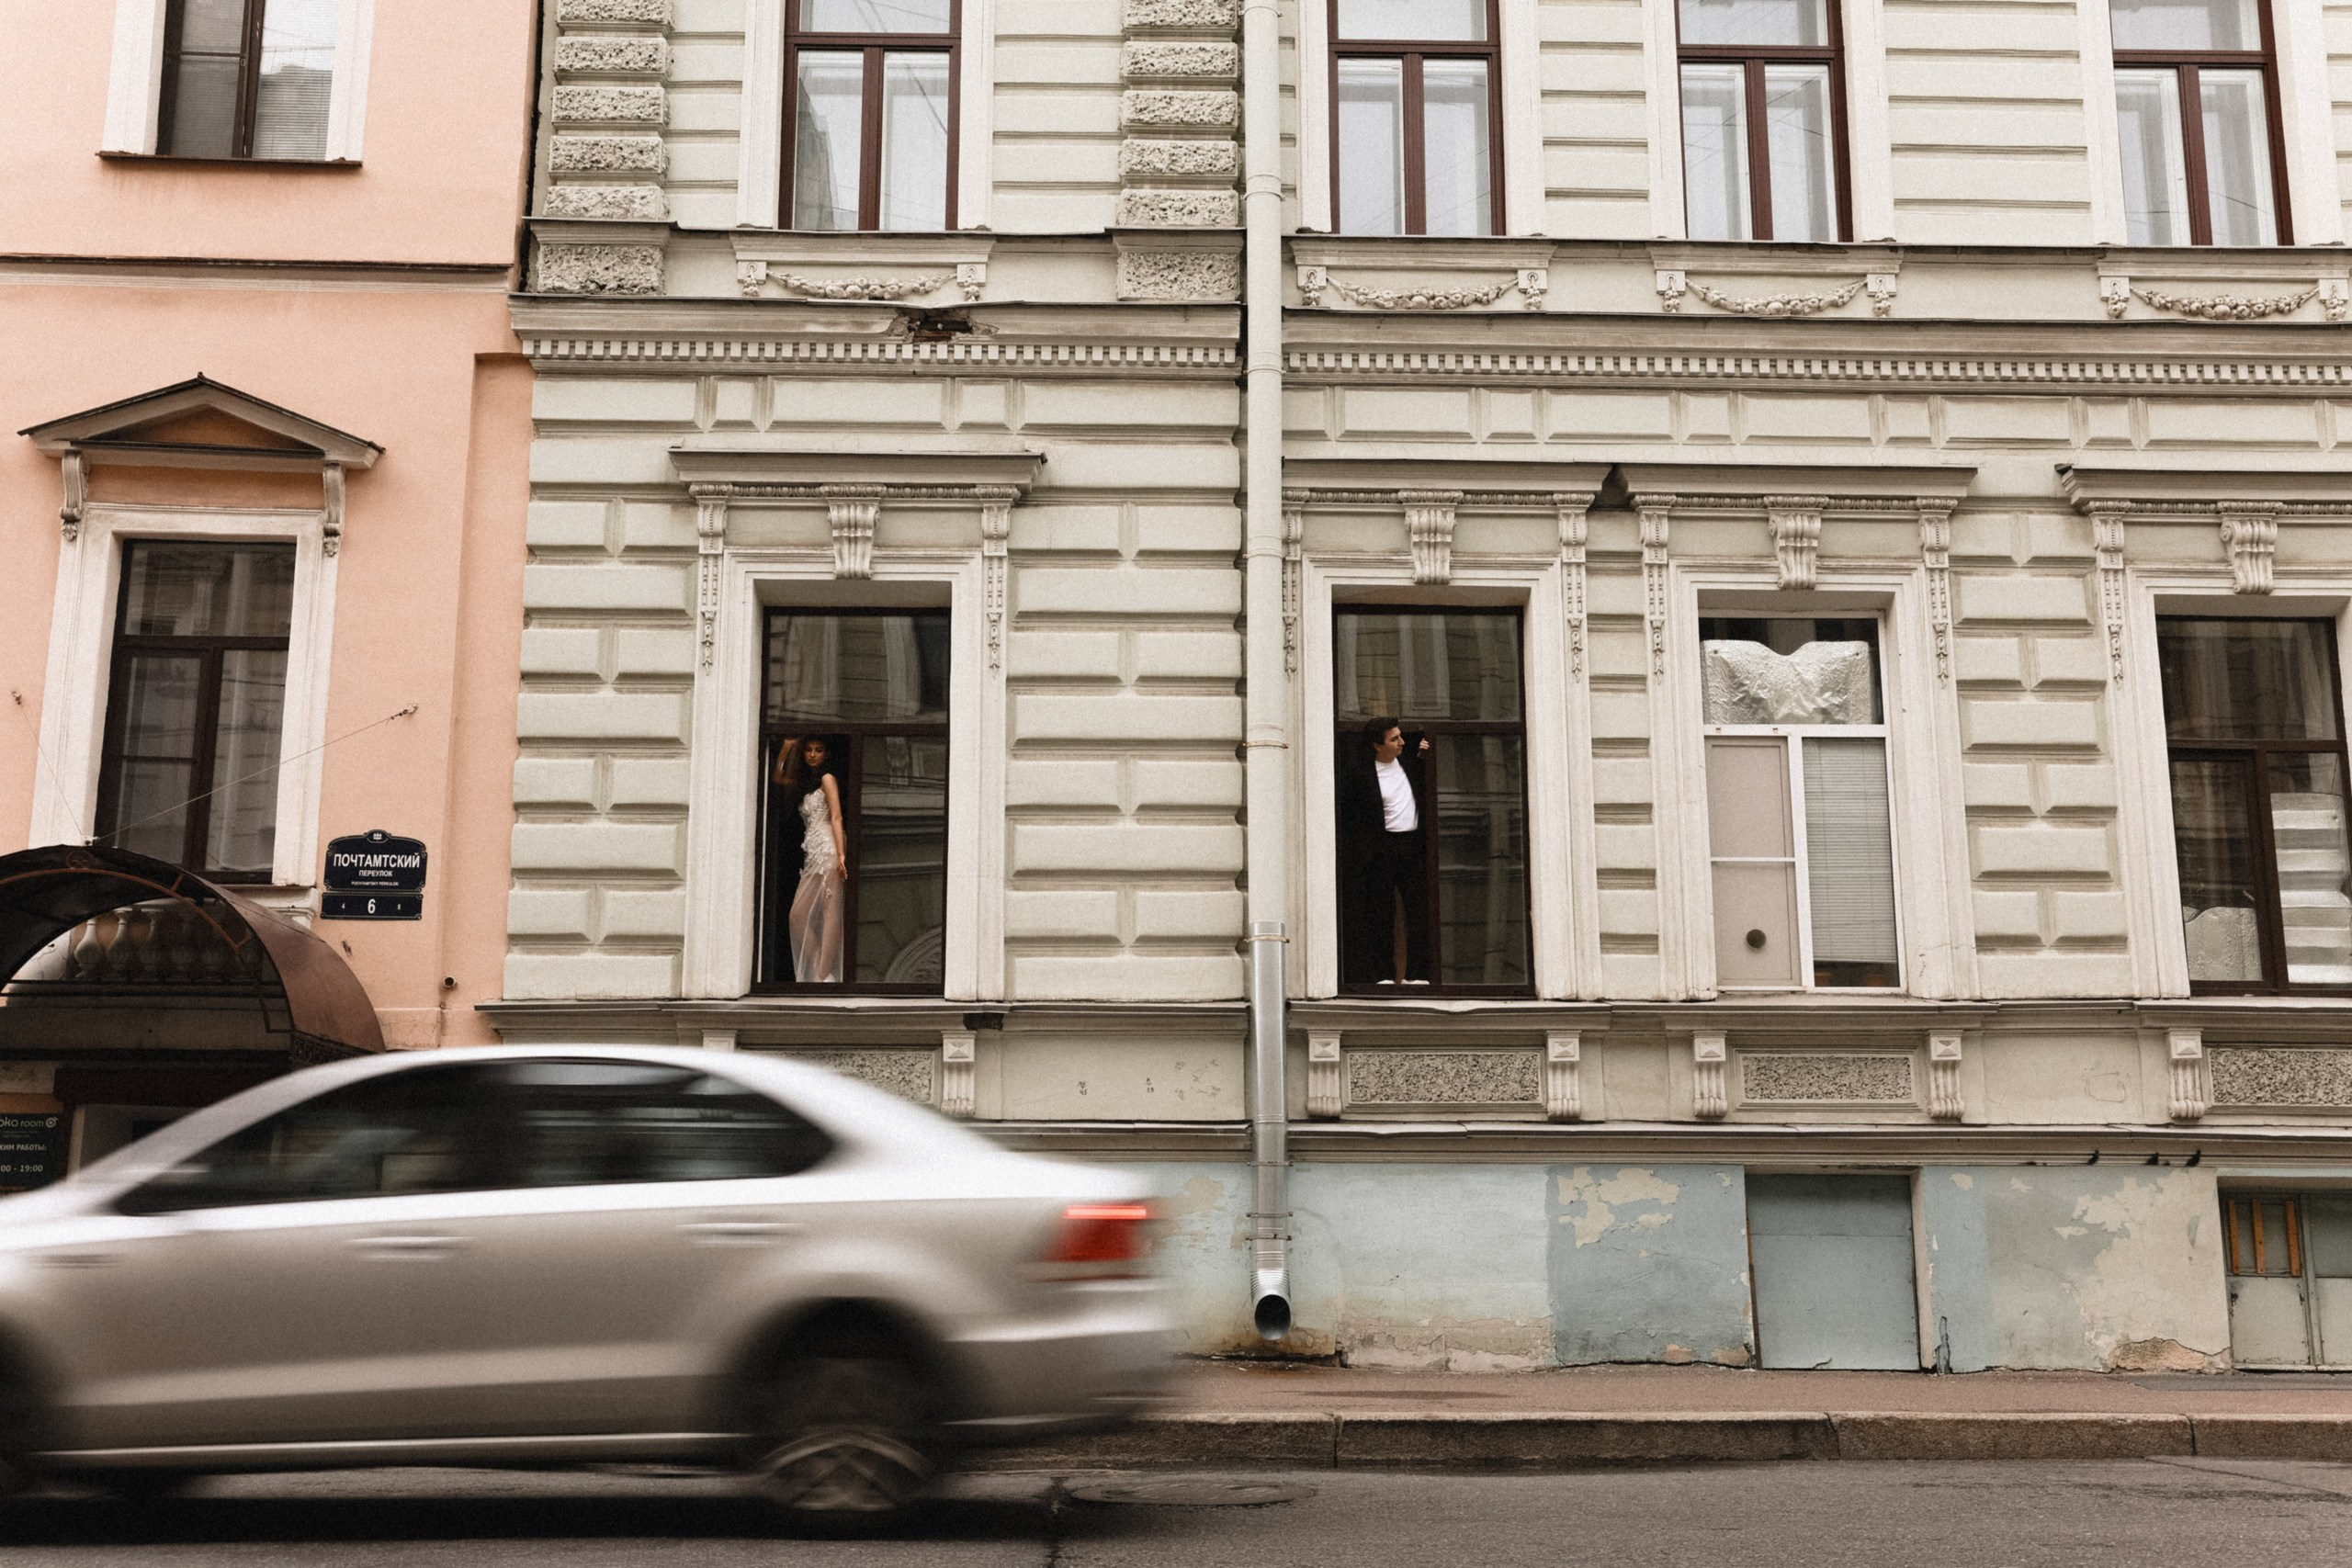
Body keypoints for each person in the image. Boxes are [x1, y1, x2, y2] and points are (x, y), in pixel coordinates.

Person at [1337, 716, 1432, 986]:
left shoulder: (1411, 765)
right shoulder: (1362, 775)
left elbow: (1425, 752)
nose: (1401, 742)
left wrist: (1425, 749)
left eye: (1401, 736)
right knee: (1381, 914)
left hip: (1412, 846)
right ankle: (1384, 975)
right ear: (1377, 746)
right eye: (1394, 739)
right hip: (1382, 849)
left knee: (1419, 911)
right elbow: (1353, 815)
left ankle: (1418, 975)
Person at [774, 736, 847, 983]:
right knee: (797, 915)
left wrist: (841, 854)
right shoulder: (805, 783)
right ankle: (820, 967)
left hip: (827, 848)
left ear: (826, 754)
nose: (813, 755)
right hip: (812, 853)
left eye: (818, 750)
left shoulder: (828, 779)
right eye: (808, 750)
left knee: (830, 911)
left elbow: (836, 817)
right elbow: (777, 778)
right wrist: (785, 750)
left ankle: (824, 975)